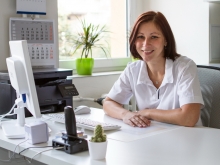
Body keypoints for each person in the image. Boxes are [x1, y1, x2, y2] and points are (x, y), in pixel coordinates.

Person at [103, 11, 204, 128]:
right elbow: (108, 103)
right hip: (151, 134)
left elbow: (189, 117)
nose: (146, 44)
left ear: (166, 40)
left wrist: (147, 112)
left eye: (154, 37)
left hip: (188, 138)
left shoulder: (185, 67)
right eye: (140, 37)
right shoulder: (133, 70)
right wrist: (126, 114)